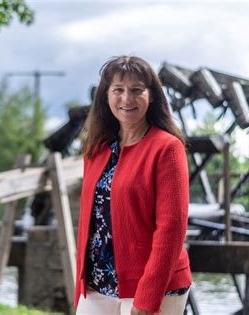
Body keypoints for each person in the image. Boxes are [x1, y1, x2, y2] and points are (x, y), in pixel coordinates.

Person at [74, 56, 192, 315]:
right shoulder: (97, 149)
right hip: (98, 282)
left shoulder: (167, 148)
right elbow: (90, 220)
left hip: (151, 285)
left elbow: (171, 229)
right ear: (106, 96)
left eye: (137, 90)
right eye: (118, 90)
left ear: (151, 97)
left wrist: (147, 297)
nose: (126, 99)